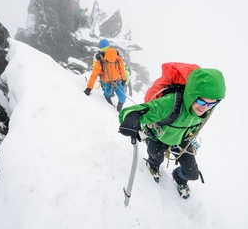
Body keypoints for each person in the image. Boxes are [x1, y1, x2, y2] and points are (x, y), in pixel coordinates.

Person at [118, 68, 226, 198]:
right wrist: (130, 118)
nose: (204, 108)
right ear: (192, 95)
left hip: (181, 140)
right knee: (156, 158)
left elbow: (193, 123)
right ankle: (153, 166)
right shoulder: (170, 103)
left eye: (211, 103)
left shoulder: (207, 110)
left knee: (192, 173)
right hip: (158, 136)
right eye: (201, 101)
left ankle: (179, 177)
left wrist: (191, 137)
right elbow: (133, 111)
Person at [84, 47, 127, 112]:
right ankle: (110, 106)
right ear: (106, 58)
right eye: (110, 62)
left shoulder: (119, 60)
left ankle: (119, 110)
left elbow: (122, 70)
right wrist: (89, 88)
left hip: (117, 81)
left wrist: (124, 79)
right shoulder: (100, 63)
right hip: (106, 83)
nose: (111, 63)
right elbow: (94, 75)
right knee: (108, 95)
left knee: (123, 97)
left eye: (113, 62)